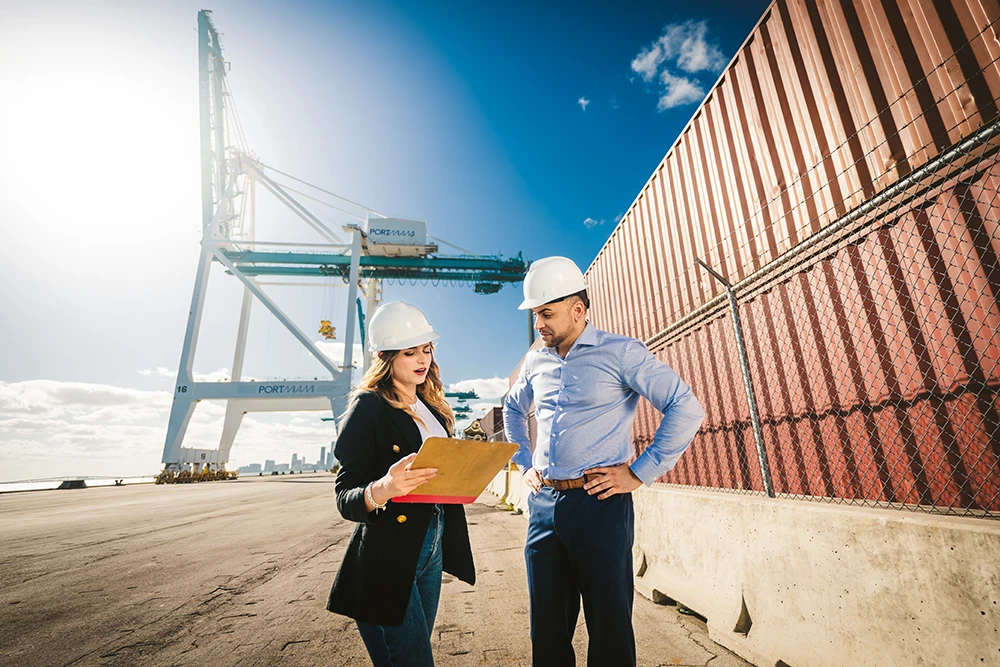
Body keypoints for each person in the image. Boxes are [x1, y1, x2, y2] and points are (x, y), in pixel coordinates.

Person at [503, 256, 706, 667]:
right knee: (547, 628)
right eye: (535, 314)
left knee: (609, 625)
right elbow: (511, 410)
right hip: (543, 505)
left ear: (578, 309)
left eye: (546, 313)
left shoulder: (622, 353)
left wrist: (638, 472)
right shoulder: (536, 360)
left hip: (599, 504)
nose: (538, 323)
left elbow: (686, 407)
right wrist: (524, 462)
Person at [327, 301, 475, 667]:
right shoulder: (369, 406)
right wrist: (385, 489)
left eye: (426, 349)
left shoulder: (432, 406)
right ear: (385, 356)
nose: (422, 359)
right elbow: (346, 497)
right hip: (386, 556)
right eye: (410, 352)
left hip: (431, 545)